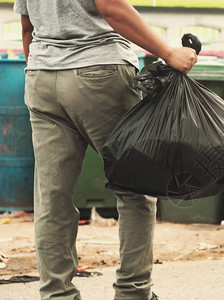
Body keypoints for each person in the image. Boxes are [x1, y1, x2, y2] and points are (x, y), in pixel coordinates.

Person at [14, 0, 198, 299]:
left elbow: (27, 27)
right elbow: (111, 7)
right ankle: (132, 293)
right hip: (99, 73)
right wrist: (169, 53)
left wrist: (40, 71)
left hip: (42, 77)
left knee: (52, 199)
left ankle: (56, 294)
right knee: (135, 190)